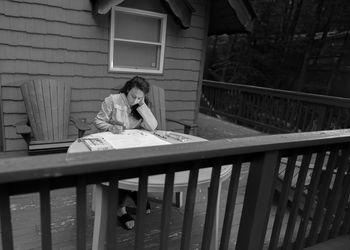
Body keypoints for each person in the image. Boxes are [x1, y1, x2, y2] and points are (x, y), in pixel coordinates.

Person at [94, 76, 158, 230]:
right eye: (132, 96)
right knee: (122, 168)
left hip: (133, 144)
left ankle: (134, 190)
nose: (134, 99)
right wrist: (110, 127)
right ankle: (120, 208)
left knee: (142, 164)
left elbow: (153, 126)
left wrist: (142, 106)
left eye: (139, 97)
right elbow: (98, 121)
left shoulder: (141, 105)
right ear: (127, 90)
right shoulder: (112, 100)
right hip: (113, 145)